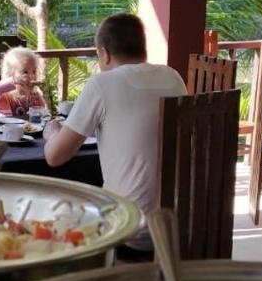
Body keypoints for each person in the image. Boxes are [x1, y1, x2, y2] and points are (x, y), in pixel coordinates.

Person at [43, 13, 186, 249]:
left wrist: (52, 133)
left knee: (55, 215)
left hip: (130, 225)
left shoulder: (102, 83)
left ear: (104, 53)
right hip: (175, 223)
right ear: (143, 49)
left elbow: (55, 157)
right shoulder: (173, 77)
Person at [0, 46, 48, 118]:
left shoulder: (35, 97)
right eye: (25, 72)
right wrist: (13, 80)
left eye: (34, 71)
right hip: (7, 128)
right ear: (10, 74)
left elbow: (42, 115)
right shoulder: (4, 98)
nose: (31, 76)